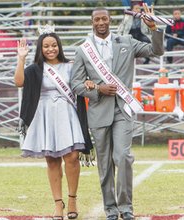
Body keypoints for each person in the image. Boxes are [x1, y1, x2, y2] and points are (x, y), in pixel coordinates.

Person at [71, 4, 164, 220]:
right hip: (98, 112)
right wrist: (98, 89)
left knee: (123, 157)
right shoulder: (83, 50)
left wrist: (154, 29)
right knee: (104, 165)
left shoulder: (126, 42)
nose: (101, 23)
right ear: (92, 22)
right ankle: (111, 210)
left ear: (110, 20)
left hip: (123, 110)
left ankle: (126, 208)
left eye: (104, 19)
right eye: (97, 20)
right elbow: (75, 84)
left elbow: (156, 51)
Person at [14, 27, 92, 220]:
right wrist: (21, 58)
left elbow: (82, 84)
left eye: (54, 45)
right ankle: (58, 204)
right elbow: (18, 82)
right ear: (41, 48)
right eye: (46, 46)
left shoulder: (70, 66)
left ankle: (72, 199)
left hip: (68, 114)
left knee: (72, 158)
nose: (51, 49)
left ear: (59, 46)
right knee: (52, 160)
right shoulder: (35, 69)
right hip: (45, 115)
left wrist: (89, 84)